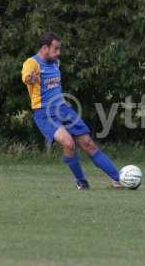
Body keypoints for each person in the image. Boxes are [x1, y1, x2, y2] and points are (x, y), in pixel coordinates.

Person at [21, 32, 122, 190]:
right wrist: (31, 79)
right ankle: (80, 181)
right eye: (56, 49)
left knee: (88, 144)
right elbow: (27, 78)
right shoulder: (32, 63)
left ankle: (119, 179)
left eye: (59, 49)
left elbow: (55, 86)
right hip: (45, 113)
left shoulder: (56, 63)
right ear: (45, 48)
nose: (58, 53)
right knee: (68, 143)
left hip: (63, 109)